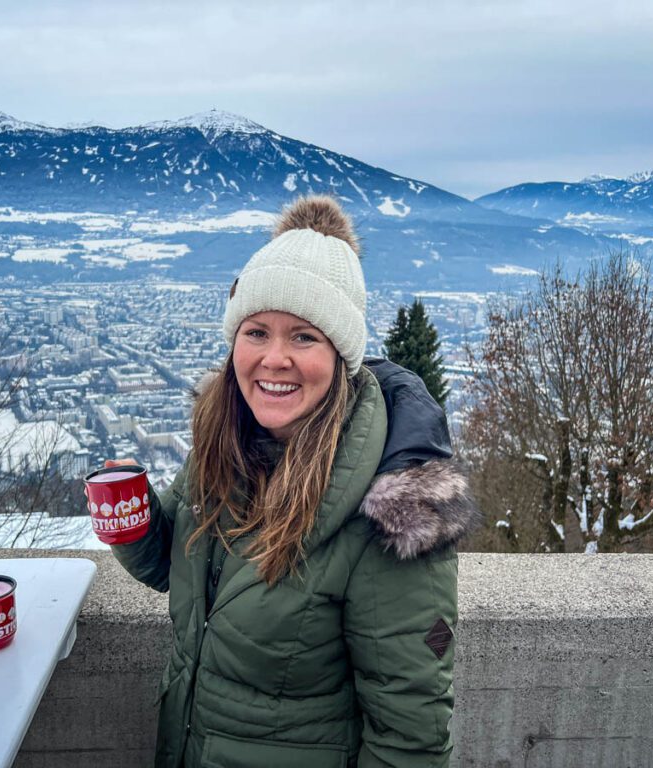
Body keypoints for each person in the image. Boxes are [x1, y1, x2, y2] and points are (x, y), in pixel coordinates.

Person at [111, 195, 479, 768]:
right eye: (256, 331)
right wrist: (132, 524)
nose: (274, 358)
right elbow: (178, 570)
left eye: (303, 336)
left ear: (341, 354)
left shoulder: (388, 507)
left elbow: (410, 737)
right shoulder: (224, 443)